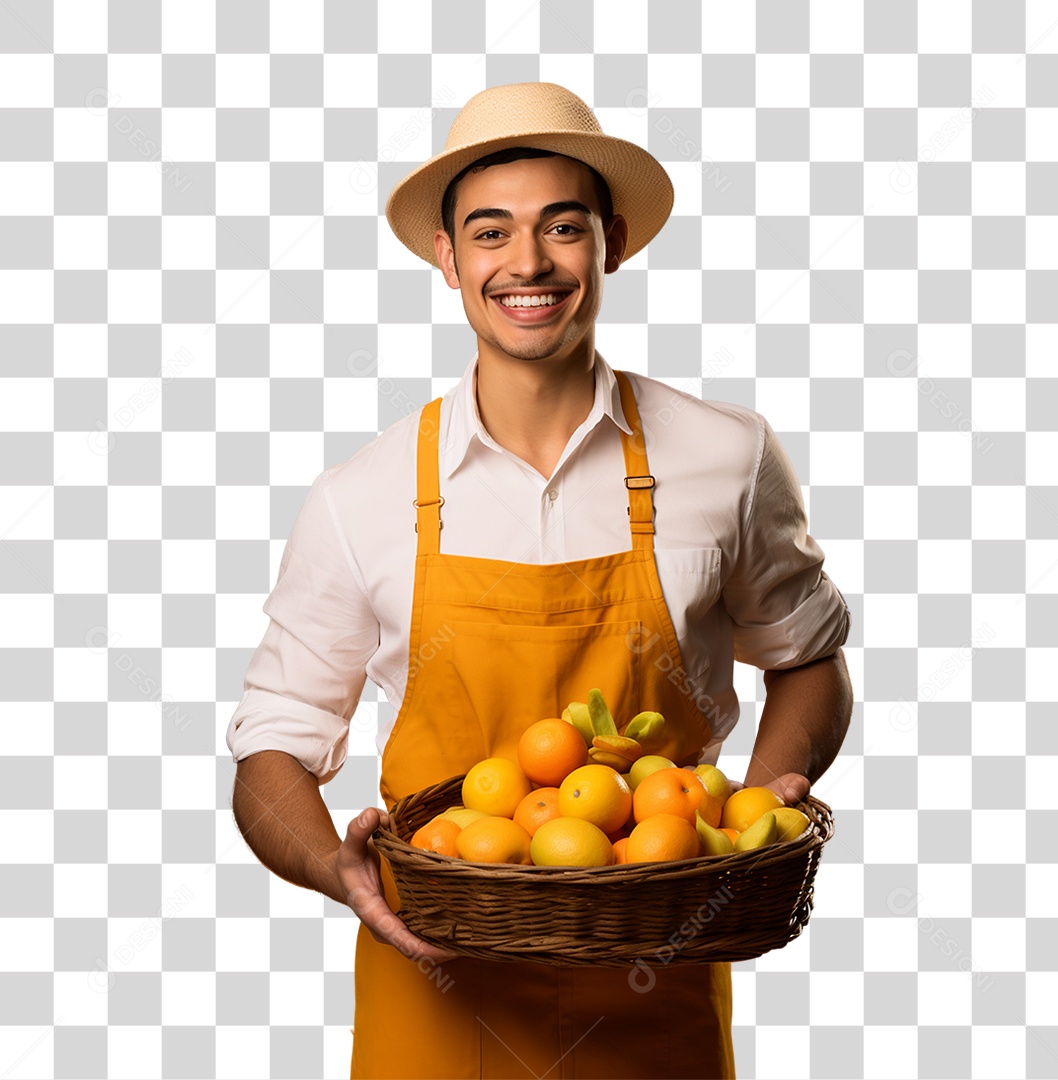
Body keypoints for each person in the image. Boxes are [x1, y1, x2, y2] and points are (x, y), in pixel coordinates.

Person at [227, 82, 852, 1079]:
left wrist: (756, 814)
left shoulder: (725, 457)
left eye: (562, 227)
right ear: (449, 259)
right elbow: (272, 746)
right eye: (491, 233)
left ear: (611, 243)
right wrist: (338, 871)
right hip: (434, 990)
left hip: (655, 986)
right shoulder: (361, 496)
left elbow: (808, 658)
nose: (528, 263)